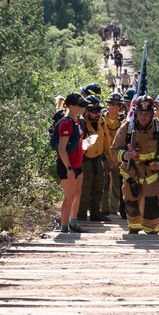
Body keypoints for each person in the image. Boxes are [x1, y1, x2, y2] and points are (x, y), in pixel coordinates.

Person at [111, 96, 159, 234]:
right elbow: (114, 149)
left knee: (151, 204)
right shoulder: (127, 128)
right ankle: (134, 228)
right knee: (131, 203)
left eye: (146, 113)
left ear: (152, 113)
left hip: (152, 172)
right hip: (131, 172)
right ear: (136, 113)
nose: (143, 117)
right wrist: (125, 155)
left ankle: (152, 230)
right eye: (140, 113)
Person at [56, 92, 89, 233]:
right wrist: (69, 168)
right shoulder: (66, 123)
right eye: (79, 105)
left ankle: (73, 222)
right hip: (67, 165)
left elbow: (76, 143)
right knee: (69, 197)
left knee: (77, 193)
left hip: (77, 164)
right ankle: (64, 228)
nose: (82, 108)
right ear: (70, 106)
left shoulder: (77, 121)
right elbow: (61, 149)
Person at [77, 95, 113, 223]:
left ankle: (95, 213)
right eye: (94, 112)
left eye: (98, 111)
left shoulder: (101, 122)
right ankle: (81, 214)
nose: (97, 114)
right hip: (84, 159)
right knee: (85, 188)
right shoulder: (80, 123)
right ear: (86, 111)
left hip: (98, 158)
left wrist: (110, 157)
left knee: (99, 186)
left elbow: (106, 141)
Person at [101, 92, 125, 218]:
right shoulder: (100, 120)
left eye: (117, 105)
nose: (114, 107)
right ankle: (103, 208)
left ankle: (113, 208)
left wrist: (116, 158)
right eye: (112, 104)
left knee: (117, 183)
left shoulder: (122, 122)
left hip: (117, 156)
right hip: (102, 155)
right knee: (103, 182)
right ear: (108, 105)